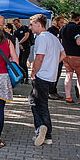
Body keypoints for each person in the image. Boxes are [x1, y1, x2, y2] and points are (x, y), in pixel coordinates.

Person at [29, 14, 65, 146]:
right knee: (36, 101)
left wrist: (34, 72)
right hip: (50, 75)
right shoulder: (53, 37)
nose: (30, 27)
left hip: (42, 75)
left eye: (32, 24)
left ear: (39, 24)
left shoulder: (41, 38)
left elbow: (39, 57)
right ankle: (42, 130)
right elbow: (63, 54)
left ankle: (44, 130)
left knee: (39, 103)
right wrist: (54, 64)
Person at [60, 12, 80, 103]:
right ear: (78, 19)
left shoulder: (63, 28)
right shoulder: (77, 28)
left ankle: (68, 96)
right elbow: (79, 42)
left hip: (66, 55)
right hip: (77, 55)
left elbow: (60, 41)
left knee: (68, 75)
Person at [47, 15, 65, 99]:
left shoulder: (61, 30)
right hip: (53, 54)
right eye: (61, 22)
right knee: (53, 73)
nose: (62, 24)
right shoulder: (51, 30)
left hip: (60, 54)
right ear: (56, 22)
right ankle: (50, 91)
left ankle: (54, 90)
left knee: (58, 73)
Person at [13, 19, 32, 83]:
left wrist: (20, 43)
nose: (16, 25)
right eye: (14, 24)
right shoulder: (16, 32)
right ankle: (22, 77)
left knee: (23, 62)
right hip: (20, 48)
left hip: (26, 47)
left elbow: (26, 36)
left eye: (16, 23)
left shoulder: (24, 28)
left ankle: (26, 77)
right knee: (20, 63)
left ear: (19, 22)